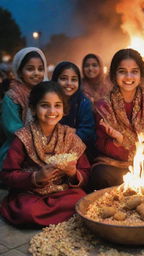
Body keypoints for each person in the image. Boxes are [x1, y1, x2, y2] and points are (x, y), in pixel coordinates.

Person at [0, 81, 90, 227]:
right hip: (30, 194)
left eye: (57, 105)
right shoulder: (23, 137)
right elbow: (7, 175)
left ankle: (51, 215)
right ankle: (54, 216)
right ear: (33, 109)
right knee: (27, 211)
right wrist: (35, 177)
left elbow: (86, 171)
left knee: (80, 199)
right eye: (45, 105)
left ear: (64, 109)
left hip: (62, 192)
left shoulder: (69, 136)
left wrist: (74, 173)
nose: (51, 111)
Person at [89, 48, 144, 190]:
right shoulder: (103, 106)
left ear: (141, 75)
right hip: (116, 163)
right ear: (114, 75)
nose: (128, 77)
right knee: (100, 176)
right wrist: (119, 143)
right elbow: (100, 143)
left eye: (134, 71)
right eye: (122, 71)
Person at [0, 47, 48, 170]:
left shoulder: (47, 94)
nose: (36, 73)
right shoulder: (12, 97)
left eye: (40, 69)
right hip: (17, 150)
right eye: (30, 69)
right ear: (20, 72)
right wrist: (38, 142)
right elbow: (13, 130)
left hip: (47, 146)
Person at [51, 61, 96, 161]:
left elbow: (87, 132)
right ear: (55, 79)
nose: (69, 83)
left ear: (79, 82)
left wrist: (63, 140)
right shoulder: (49, 101)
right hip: (49, 148)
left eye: (74, 80)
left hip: (78, 152)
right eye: (63, 78)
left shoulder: (84, 103)